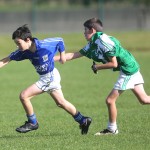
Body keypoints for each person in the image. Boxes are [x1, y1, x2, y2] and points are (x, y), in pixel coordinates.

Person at [54, 18, 150, 135]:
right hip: (130, 67)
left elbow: (113, 63)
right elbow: (75, 54)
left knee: (110, 100)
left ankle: (112, 129)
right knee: (144, 100)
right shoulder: (93, 42)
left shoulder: (104, 42)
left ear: (92, 30)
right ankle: (112, 129)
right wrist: (51, 59)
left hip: (127, 70)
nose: (83, 33)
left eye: (85, 30)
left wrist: (97, 67)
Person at [0, 24, 92, 134]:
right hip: (47, 76)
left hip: (50, 77)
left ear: (28, 39)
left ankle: (33, 122)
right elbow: (6, 60)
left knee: (24, 96)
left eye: (19, 43)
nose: (17, 46)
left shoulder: (44, 45)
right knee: (61, 102)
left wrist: (62, 55)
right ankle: (83, 120)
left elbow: (59, 40)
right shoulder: (23, 51)